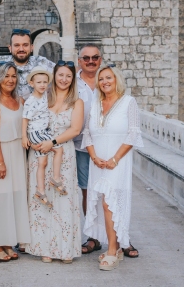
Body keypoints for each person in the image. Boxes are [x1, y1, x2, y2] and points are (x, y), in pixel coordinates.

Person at [81, 64, 144, 271]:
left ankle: (112, 250)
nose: (105, 82)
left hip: (118, 162)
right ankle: (114, 248)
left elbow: (133, 134)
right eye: (101, 79)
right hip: (97, 161)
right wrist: (94, 156)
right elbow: (87, 134)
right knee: (102, 203)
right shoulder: (96, 103)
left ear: (117, 80)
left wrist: (115, 159)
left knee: (111, 203)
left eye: (108, 78)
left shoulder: (128, 102)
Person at [25, 60, 84, 263]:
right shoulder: (42, 97)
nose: (64, 79)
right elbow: (29, 119)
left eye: (68, 76)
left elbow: (75, 129)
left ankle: (65, 248)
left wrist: (53, 141)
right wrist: (32, 140)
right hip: (40, 150)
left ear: (73, 78)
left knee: (62, 200)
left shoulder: (77, 101)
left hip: (63, 152)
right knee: (42, 199)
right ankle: (44, 248)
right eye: (60, 75)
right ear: (54, 76)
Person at [0, 62, 31, 262]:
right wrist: (0, 162)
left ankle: (8, 241)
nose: (10, 80)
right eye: (6, 76)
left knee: (14, 196)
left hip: (17, 152)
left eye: (13, 76)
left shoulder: (20, 100)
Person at [22, 66, 66, 209]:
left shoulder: (45, 97)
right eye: (39, 82)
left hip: (41, 130)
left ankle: (40, 191)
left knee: (43, 162)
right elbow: (25, 119)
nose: (42, 85)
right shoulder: (31, 100)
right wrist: (24, 137)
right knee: (58, 150)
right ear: (31, 84)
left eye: (45, 82)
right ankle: (56, 178)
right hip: (37, 132)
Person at [74, 44, 102, 254]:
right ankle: (93, 237)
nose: (91, 61)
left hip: (105, 145)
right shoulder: (72, 83)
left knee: (109, 191)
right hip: (80, 145)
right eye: (86, 58)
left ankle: (118, 236)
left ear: (100, 59)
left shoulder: (107, 79)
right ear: (79, 60)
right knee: (86, 190)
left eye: (95, 57)